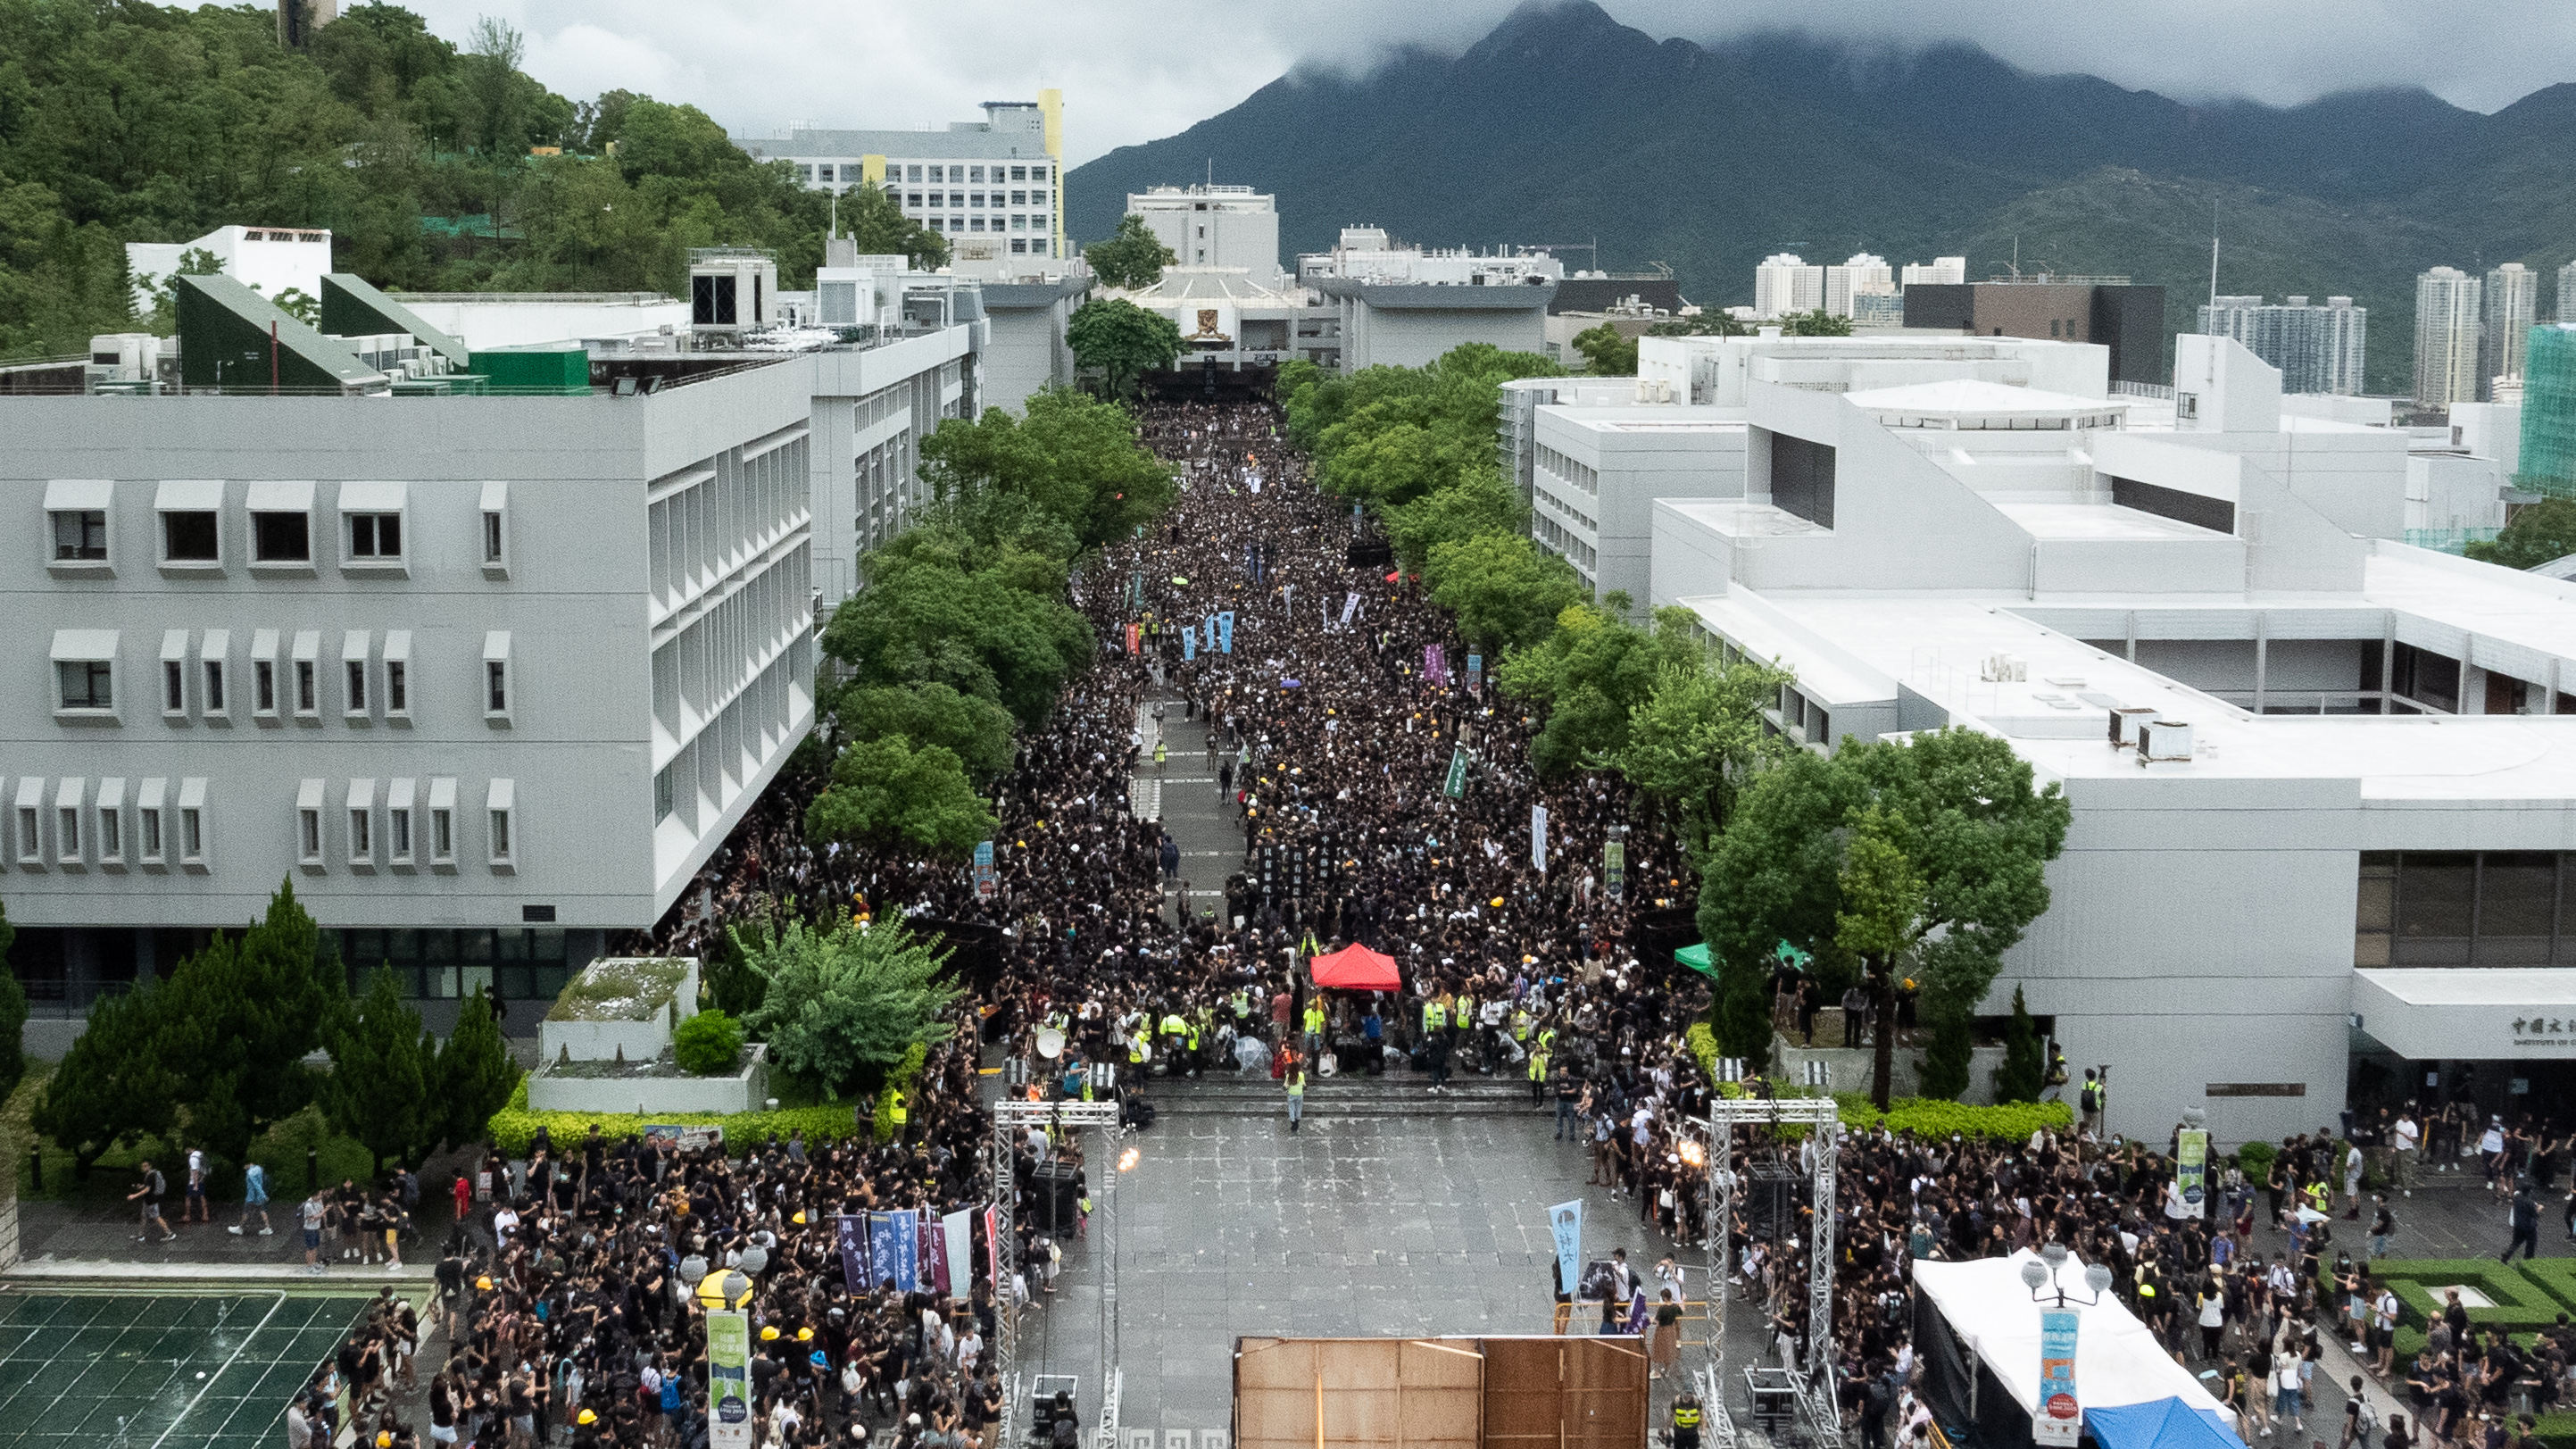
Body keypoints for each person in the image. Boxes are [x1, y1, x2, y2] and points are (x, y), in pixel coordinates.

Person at [129, 1158, 175, 1244]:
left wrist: (134, 1196)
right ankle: (141, 1235)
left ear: (150, 1166)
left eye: (146, 1165)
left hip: (151, 1201)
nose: (144, 1167)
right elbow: (149, 1186)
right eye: (143, 1166)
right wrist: (142, 1186)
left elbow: (147, 1190)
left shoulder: (150, 1175)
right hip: (148, 1200)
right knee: (143, 1216)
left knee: (156, 1217)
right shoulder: (150, 1174)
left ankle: (170, 1233)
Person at [229, 1159, 273, 1236]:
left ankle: (240, 1228)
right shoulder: (259, 1169)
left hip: (252, 1197)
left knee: (246, 1212)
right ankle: (267, 1228)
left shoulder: (251, 1173)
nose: (245, 1167)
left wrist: (263, 1195)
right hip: (258, 1197)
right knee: (262, 1210)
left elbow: (256, 1185)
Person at [2503, 1179, 2541, 1263]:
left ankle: (2507, 1255)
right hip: (2529, 1226)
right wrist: (2539, 1209)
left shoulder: (2517, 1199)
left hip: (2518, 1224)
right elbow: (2534, 1214)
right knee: (2531, 1243)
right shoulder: (2530, 1202)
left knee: (2515, 1243)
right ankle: (2528, 1258)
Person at [1285, 1062, 1307, 1133]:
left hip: (1291, 1094)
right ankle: (1297, 1122)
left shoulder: (1289, 1075)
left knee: (1291, 1109)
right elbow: (1303, 1083)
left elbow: (1286, 1085)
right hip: (1299, 1094)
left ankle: (1293, 1123)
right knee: (1299, 1108)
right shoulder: (1301, 1075)